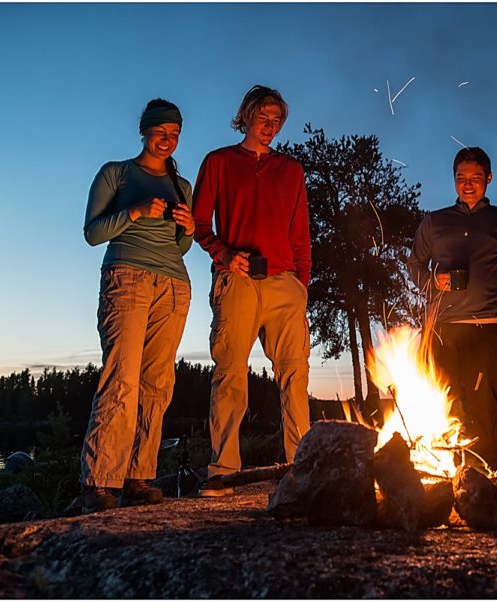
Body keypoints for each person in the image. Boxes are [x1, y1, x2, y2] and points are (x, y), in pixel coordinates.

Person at [191, 85, 311, 497]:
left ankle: (302, 467)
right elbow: (198, 224)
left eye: (277, 120)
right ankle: (222, 470)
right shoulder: (219, 162)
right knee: (230, 374)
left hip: (284, 284)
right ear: (246, 116)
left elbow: (301, 235)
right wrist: (224, 255)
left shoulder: (291, 171)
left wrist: (301, 283)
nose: (270, 126)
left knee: (295, 375)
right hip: (237, 281)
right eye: (264, 118)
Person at [80, 98, 195, 514]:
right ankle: (98, 483)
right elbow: (93, 233)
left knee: (158, 385)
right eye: (161, 132)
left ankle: (138, 477)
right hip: (126, 277)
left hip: (175, 284)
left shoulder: (182, 186)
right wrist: (133, 210)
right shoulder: (117, 173)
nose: (168, 141)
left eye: (175, 135)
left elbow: (182, 245)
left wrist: (190, 229)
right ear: (144, 131)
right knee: (121, 379)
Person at [407, 147, 497, 469]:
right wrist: (434, 280)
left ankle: (486, 476)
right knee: (439, 405)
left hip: (485, 328)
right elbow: (415, 265)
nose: (468, 184)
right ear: (454, 180)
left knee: (482, 410)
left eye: (475, 178)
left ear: (488, 178)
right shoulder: (435, 222)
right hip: (442, 330)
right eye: (461, 178)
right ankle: (440, 473)